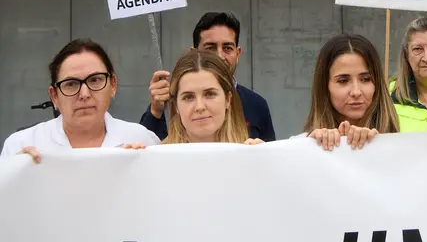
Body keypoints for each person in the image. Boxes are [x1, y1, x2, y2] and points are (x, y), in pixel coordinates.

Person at [1, 39, 160, 163]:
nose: (84, 94)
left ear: (113, 85)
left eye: (95, 80)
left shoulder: (142, 139)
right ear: (54, 96)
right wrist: (17, 174)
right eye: (71, 84)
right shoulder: (20, 145)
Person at [139, 12, 275, 142]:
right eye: (188, 97)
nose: (220, 56)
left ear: (228, 99)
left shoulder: (257, 104)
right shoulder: (165, 102)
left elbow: (270, 158)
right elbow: (152, 151)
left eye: (227, 48)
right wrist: (155, 112)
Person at [124, 49, 262, 147]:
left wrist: (266, 164)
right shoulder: (155, 159)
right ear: (176, 106)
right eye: (188, 97)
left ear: (228, 100)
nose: (200, 106)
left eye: (210, 94)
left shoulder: (252, 155)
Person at [297, 34, 399, 151]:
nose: (356, 92)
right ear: (325, 86)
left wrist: (376, 145)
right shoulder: (297, 145)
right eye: (343, 81)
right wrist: (309, 148)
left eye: (365, 79)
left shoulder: (405, 144)